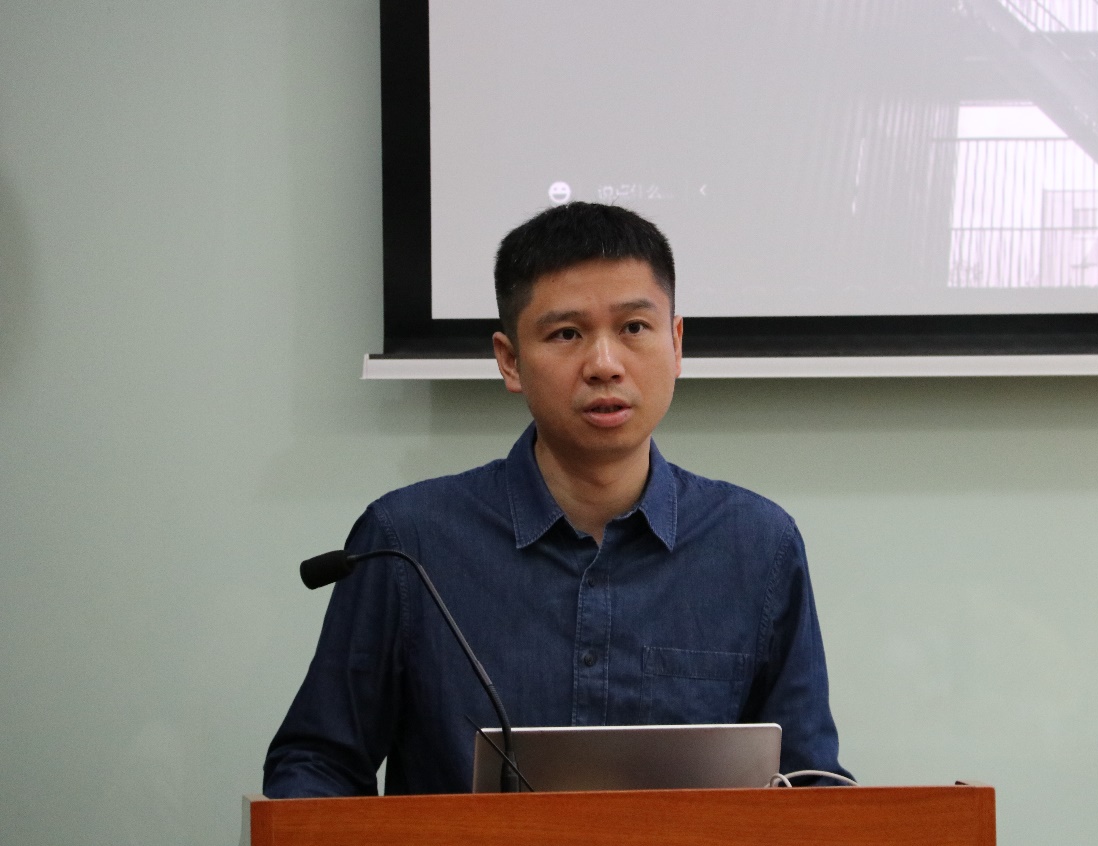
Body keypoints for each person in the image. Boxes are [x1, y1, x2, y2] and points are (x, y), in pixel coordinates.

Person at [263, 202, 851, 796]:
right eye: (567, 334)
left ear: (676, 343)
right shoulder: (409, 541)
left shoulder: (757, 545)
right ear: (510, 360)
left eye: (634, 328)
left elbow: (810, 781)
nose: (604, 365)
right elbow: (317, 765)